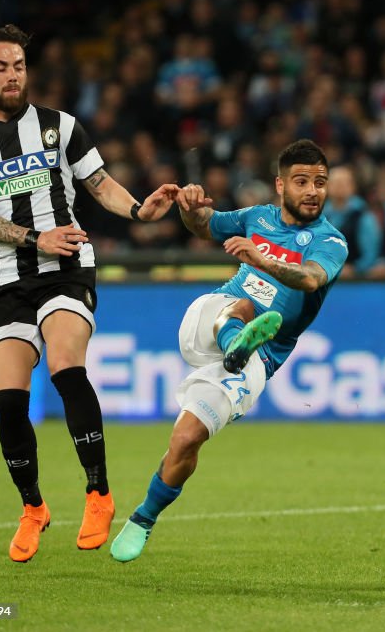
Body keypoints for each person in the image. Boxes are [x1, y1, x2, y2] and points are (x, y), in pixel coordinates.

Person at [0, 25, 180, 562]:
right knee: (8, 403)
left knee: (66, 366)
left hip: (67, 264)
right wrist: (33, 237)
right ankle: (33, 507)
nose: (12, 75)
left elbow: (99, 184)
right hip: (5, 277)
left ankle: (98, 492)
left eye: (20, 65)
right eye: (1, 67)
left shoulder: (60, 126)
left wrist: (140, 209)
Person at [110, 139, 348, 562]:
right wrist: (188, 204)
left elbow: (310, 279)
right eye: (302, 181)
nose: (313, 191)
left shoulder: (330, 241)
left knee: (185, 441)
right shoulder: (256, 217)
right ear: (280, 185)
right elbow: (205, 225)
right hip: (210, 318)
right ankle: (235, 338)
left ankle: (143, 518)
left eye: (320, 182)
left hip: (258, 361)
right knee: (241, 306)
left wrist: (264, 261)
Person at [323, 164, 381, 278]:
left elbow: (371, 253)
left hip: (355, 280)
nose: (340, 186)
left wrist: (355, 268)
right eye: (336, 182)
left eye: (344, 182)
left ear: (352, 187)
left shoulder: (363, 216)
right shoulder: (319, 216)